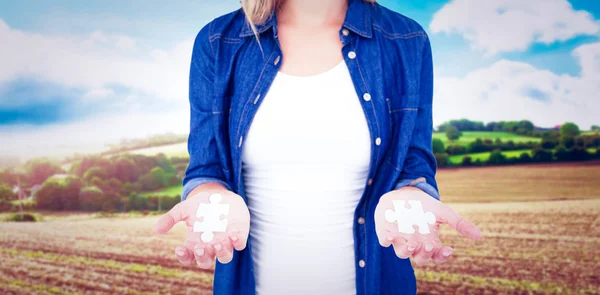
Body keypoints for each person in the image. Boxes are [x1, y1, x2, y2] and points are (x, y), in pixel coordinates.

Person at [154, 0, 482, 294]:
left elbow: (413, 161)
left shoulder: (406, 41)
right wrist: (211, 198)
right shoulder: (218, 43)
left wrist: (413, 194)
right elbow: (206, 167)